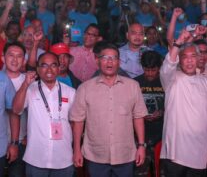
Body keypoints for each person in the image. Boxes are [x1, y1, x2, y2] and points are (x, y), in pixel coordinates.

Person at [70, 42, 148, 177]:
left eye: (114, 58)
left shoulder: (133, 86)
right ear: (97, 60)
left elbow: (138, 117)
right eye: (105, 57)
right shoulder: (85, 88)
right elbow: (78, 120)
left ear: (119, 62)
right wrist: (77, 149)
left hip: (125, 154)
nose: (109, 62)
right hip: (96, 155)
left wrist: (141, 146)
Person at [160, 30, 207, 176]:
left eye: (193, 56)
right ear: (180, 59)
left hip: (199, 150)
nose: (190, 61)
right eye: (185, 57)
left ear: (199, 59)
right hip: (175, 152)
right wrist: (178, 43)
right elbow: (168, 65)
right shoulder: (172, 80)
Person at [12, 52, 76, 177]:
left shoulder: (71, 92)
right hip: (36, 158)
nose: (49, 69)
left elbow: (74, 122)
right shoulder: (30, 89)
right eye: (44, 65)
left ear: (58, 68)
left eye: (53, 65)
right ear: (38, 69)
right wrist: (25, 84)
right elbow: (16, 110)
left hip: (63, 158)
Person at [134, 50, 165, 177]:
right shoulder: (135, 83)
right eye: (147, 70)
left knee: (162, 172)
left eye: (154, 70)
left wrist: (163, 111)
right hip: (141, 137)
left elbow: (174, 105)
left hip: (162, 135)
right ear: (142, 67)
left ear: (159, 68)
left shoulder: (166, 82)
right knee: (140, 172)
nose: (150, 74)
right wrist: (141, 114)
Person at [2, 42, 27, 177]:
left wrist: (28, 136)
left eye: (19, 56)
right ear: (2, 57)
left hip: (20, 142)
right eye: (10, 55)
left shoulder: (30, 83)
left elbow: (36, 115)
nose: (14, 59)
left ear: (24, 60)